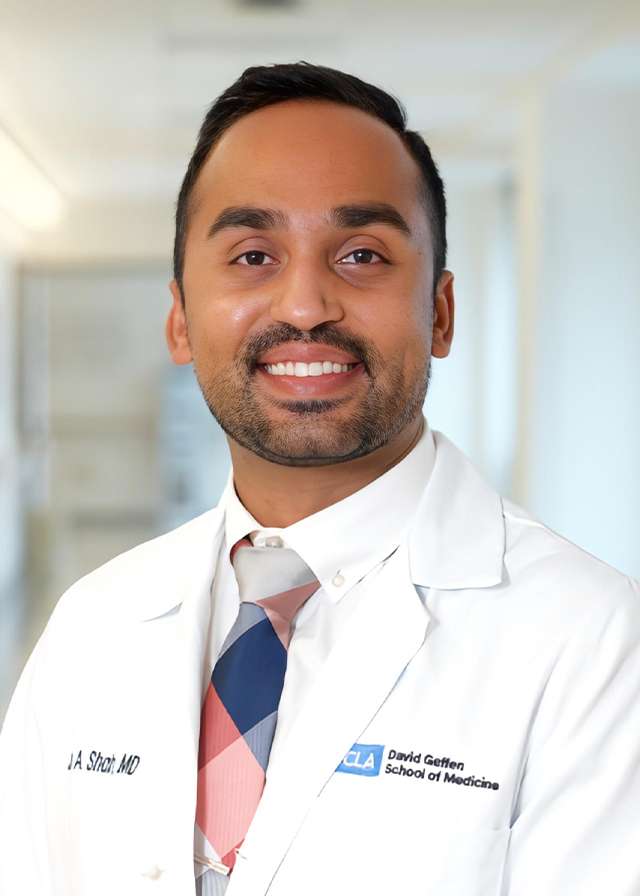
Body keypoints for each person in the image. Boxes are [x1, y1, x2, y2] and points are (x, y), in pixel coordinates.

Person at [1, 61, 638, 896]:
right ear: (180, 319)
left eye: (362, 254)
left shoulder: (591, 642)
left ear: (440, 313)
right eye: (253, 254)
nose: (304, 305)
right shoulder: (93, 627)